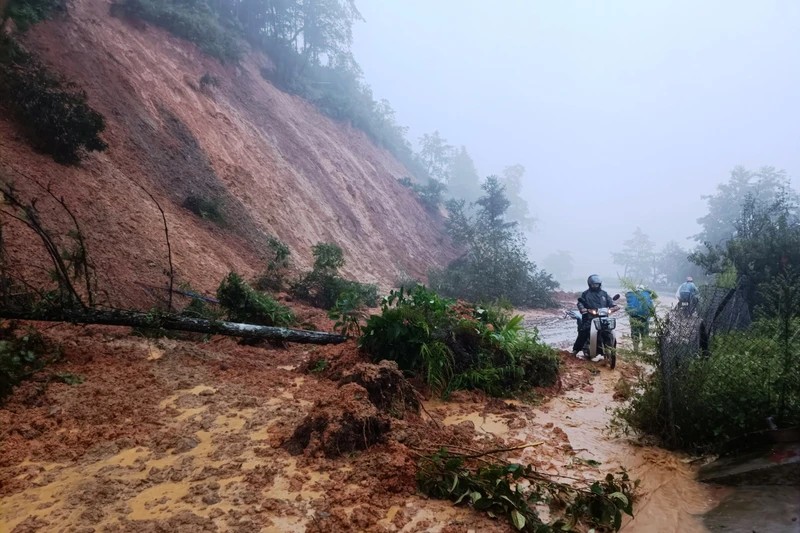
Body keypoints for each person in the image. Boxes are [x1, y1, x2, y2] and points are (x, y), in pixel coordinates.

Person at [572, 274, 617, 360]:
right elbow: (580, 302)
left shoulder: (604, 294)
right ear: (590, 284)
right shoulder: (586, 294)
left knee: (609, 331)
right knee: (584, 332)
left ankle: (611, 349)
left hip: (603, 318)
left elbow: (611, 302)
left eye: (597, 284)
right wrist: (583, 309)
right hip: (590, 318)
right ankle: (575, 351)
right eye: (593, 284)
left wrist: (614, 307)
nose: (595, 286)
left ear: (600, 284)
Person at [625, 285, 655, 352]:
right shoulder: (647, 294)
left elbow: (627, 308)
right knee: (645, 332)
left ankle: (636, 349)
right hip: (645, 317)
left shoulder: (631, 295)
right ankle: (644, 348)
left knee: (635, 332)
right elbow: (651, 307)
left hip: (634, 317)